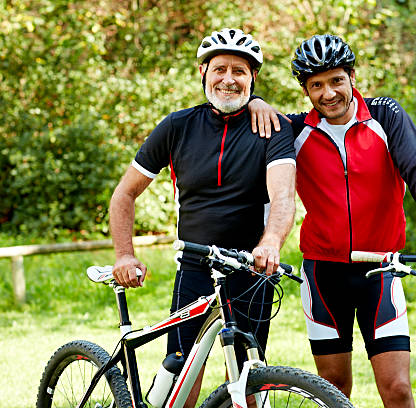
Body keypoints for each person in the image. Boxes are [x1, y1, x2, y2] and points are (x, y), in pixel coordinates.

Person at [248, 34, 416, 408]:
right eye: (316, 85)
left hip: (379, 270)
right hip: (322, 273)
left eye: (336, 80)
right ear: (305, 90)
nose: (328, 92)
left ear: (352, 77)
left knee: (397, 388)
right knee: (332, 386)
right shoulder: (295, 129)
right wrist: (255, 99)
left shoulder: (385, 116)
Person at [109, 28, 296, 408]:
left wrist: (271, 242)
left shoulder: (274, 127)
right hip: (194, 267)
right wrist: (124, 254)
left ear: (252, 78)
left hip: (252, 268)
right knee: (180, 371)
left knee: (248, 374)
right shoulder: (177, 126)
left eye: (239, 71)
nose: (229, 79)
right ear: (202, 73)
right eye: (220, 69)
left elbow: (282, 195)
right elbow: (124, 193)